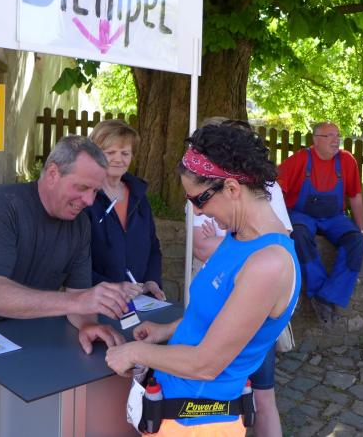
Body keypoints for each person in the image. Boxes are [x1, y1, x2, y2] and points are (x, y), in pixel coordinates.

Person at [0, 136, 140, 436]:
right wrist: (80, 302)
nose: (88, 201)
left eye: (95, 191)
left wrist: (86, 323)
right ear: (53, 173)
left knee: (6, 426)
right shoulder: (0, 205)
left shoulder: (80, 225)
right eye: (82, 187)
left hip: (9, 337)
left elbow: (77, 293)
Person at [105, 124, 300, 436]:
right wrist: (167, 329)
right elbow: (216, 315)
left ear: (232, 189)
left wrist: (134, 352)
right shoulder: (239, 236)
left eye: (199, 200)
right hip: (173, 405)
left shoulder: (269, 264)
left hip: (200, 421)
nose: (197, 212)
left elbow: (206, 364)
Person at [192, 118, 293, 437]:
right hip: (217, 309)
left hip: (247, 312)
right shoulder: (203, 185)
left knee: (261, 396)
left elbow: (279, 241)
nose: (197, 211)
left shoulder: (263, 190)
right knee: (238, 398)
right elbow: (201, 246)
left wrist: (137, 352)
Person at [277, 122, 363, 325]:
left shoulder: (347, 160)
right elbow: (275, 190)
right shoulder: (300, 159)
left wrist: (362, 229)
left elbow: (355, 196)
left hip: (334, 217)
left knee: (357, 242)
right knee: (299, 235)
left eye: (338, 135)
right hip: (302, 215)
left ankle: (326, 296)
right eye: (329, 136)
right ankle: (317, 287)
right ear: (315, 140)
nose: (336, 140)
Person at [85, 119, 165, 299]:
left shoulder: (138, 195)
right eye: (110, 152)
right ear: (94, 155)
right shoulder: (86, 198)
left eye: (125, 153)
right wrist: (113, 288)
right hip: (97, 300)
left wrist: (152, 280)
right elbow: (76, 261)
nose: (118, 159)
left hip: (140, 299)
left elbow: (153, 245)